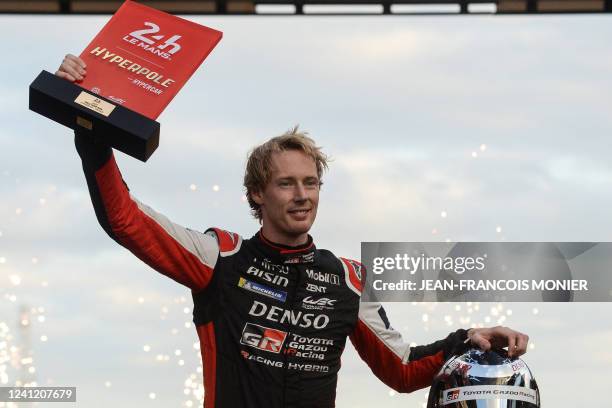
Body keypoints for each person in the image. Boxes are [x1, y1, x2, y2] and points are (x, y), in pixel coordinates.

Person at [57, 54, 530, 408]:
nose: (302, 195)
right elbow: (126, 220)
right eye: (286, 183)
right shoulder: (218, 256)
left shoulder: (348, 278)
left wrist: (468, 337)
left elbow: (402, 370)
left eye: (311, 182)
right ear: (257, 194)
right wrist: (91, 132)